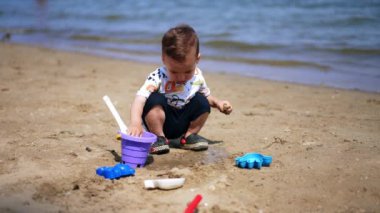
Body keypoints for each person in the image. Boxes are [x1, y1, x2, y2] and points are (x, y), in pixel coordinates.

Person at [128, 24, 233, 154]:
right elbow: (139, 99)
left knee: (202, 101)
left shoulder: (197, 77)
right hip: (159, 122)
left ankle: (188, 137)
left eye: (188, 71)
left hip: (181, 121)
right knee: (154, 98)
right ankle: (159, 139)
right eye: (175, 72)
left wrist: (218, 103)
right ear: (164, 59)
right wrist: (135, 123)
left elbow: (207, 96)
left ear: (197, 59)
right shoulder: (158, 77)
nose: (182, 77)